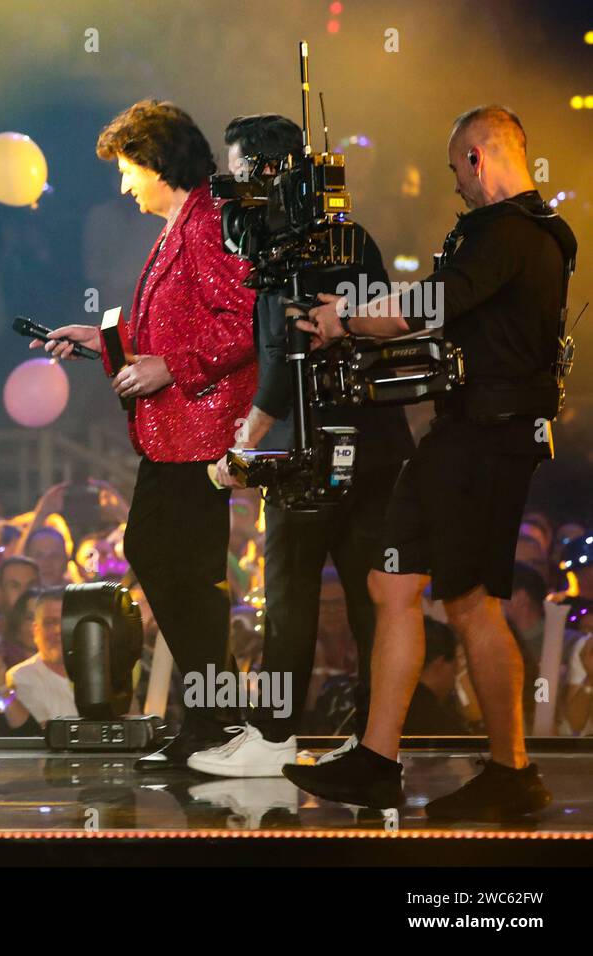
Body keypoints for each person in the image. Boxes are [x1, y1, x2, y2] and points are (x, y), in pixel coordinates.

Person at [284, 106, 577, 820]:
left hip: (481, 443)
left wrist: (344, 320)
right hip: (468, 439)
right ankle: (378, 759)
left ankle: (509, 772)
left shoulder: (507, 233)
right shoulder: (530, 236)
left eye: (455, 171)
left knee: (469, 603)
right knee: (393, 584)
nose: (455, 187)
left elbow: (431, 305)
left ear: (477, 159)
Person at [191, 114, 415, 777]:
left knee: (288, 600)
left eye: (238, 170)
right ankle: (374, 743)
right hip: (376, 449)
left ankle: (274, 737)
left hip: (306, 457)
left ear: (266, 171)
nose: (229, 187)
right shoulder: (353, 237)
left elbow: (281, 364)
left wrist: (238, 450)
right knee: (372, 596)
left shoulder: (278, 253)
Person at [39, 100, 257, 769]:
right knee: (173, 563)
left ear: (159, 163)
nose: (123, 185)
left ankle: (217, 716)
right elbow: (172, 337)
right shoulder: (179, 226)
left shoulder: (207, 222)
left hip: (201, 430)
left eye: (129, 169)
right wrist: (109, 346)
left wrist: (172, 366)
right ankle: (212, 715)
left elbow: (245, 319)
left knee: (174, 562)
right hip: (177, 431)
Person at [7, 588, 77, 725]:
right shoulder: (20, 677)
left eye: (65, 622)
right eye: (50, 623)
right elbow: (39, 733)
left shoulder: (100, 672)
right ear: (35, 631)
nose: (58, 630)